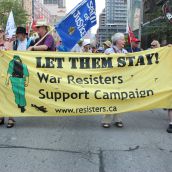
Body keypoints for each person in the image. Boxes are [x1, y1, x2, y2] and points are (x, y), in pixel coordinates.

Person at [102, 33, 128, 128]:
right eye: (123, 40)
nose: (124, 41)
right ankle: (106, 120)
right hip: (110, 80)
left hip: (121, 79)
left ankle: (118, 119)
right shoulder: (108, 51)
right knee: (109, 98)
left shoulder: (125, 52)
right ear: (117, 41)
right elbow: (101, 63)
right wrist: (105, 56)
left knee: (120, 98)